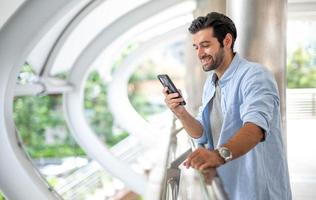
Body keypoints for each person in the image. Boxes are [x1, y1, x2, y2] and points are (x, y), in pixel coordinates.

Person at [162, 12, 292, 200]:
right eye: (196, 47)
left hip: (259, 190)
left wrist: (218, 155)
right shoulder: (211, 82)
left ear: (227, 40)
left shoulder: (255, 76)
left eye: (206, 45)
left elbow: (255, 128)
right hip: (227, 188)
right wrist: (180, 112)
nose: (199, 54)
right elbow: (203, 132)